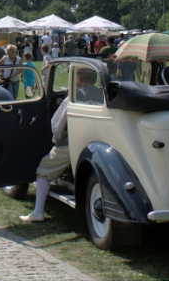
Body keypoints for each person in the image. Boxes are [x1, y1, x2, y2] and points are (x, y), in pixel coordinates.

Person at [21, 67, 103, 222]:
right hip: (99, 141)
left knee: (44, 170)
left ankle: (38, 212)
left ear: (79, 78)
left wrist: (56, 139)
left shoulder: (72, 97)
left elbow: (56, 125)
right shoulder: (103, 95)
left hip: (72, 142)